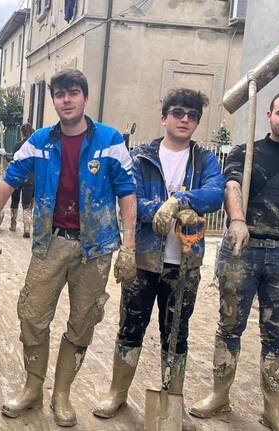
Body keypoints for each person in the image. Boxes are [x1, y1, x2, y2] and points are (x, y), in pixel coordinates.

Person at [0, 68, 137, 427]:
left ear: (84, 97)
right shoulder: (40, 142)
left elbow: (127, 193)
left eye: (73, 93)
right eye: (60, 94)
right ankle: (33, 389)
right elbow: (9, 180)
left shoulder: (109, 140)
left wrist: (130, 248)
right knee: (31, 316)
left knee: (82, 323)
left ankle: (61, 395)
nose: (67, 100)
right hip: (50, 243)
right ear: (54, 101)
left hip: (95, 249)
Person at [189, 90, 279, 431]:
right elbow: (232, 186)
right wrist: (237, 220)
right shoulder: (245, 152)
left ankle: (272, 408)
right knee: (229, 326)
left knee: (277, 335)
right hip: (242, 250)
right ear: (268, 115)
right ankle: (220, 395)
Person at [92, 89, 225, 430]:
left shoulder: (205, 160)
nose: (184, 120)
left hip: (184, 263)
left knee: (176, 332)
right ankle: (117, 392)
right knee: (130, 326)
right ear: (164, 117)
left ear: (196, 122)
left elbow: (215, 193)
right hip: (144, 259)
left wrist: (178, 200)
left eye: (192, 116)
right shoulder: (140, 157)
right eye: (178, 113)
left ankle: (172, 398)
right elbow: (130, 197)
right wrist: (161, 210)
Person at [9, 122, 35, 237]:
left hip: (17, 177)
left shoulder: (17, 145)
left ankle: (13, 224)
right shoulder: (35, 147)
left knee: (14, 200)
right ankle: (27, 227)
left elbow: (14, 160)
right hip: (30, 178)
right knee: (27, 204)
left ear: (22, 133)